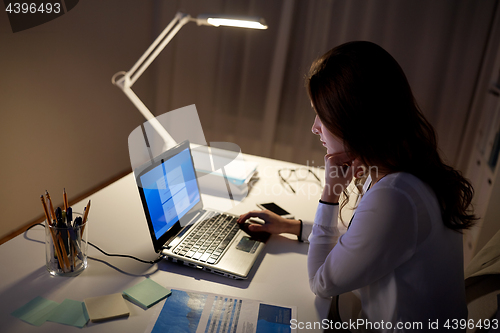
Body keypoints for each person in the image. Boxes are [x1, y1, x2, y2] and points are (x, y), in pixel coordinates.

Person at [238, 41, 475, 331]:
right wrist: (292, 226)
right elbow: (362, 241)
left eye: (321, 115)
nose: (314, 127)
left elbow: (321, 281)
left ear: (353, 121)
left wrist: (330, 194)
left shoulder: (395, 196)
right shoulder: (411, 172)